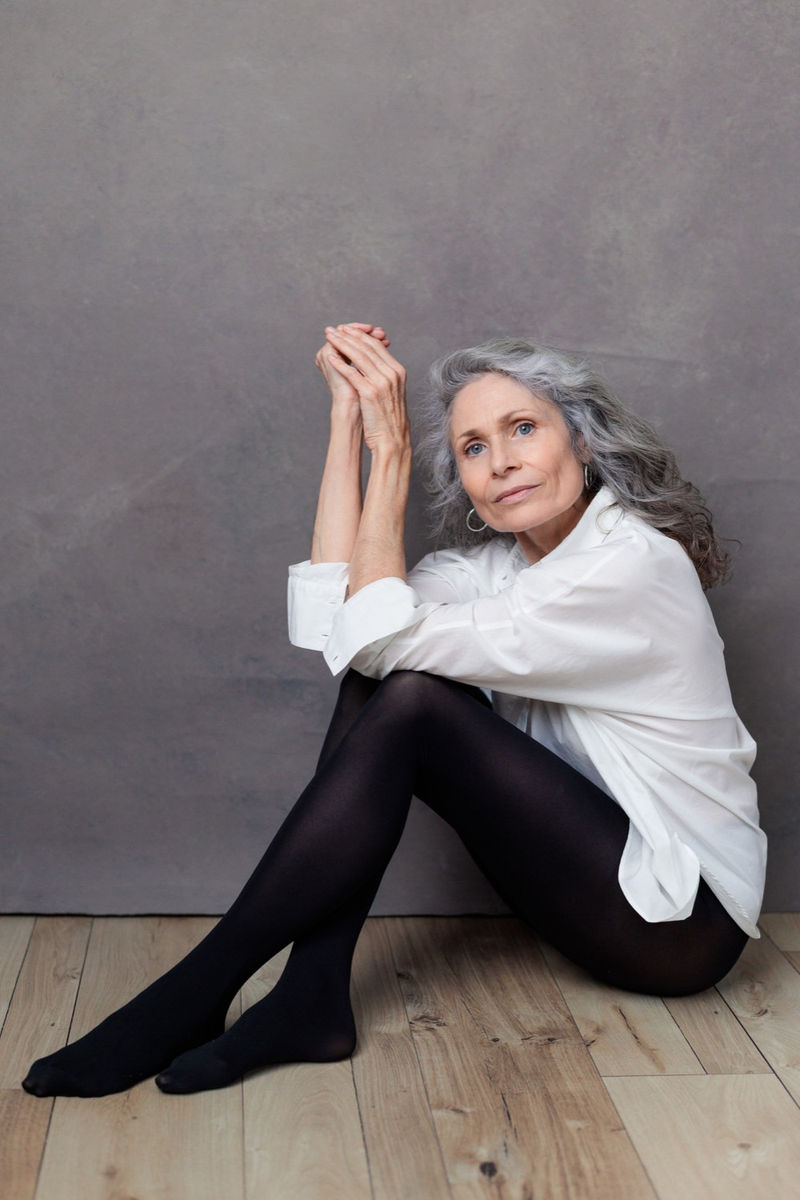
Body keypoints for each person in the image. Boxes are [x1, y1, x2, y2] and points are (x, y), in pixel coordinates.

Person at [22, 323, 766, 1099]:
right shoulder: (493, 570)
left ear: (582, 443)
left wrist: (395, 451)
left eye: (522, 429)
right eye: (473, 447)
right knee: (384, 679)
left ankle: (193, 993)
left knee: (411, 694)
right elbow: (337, 630)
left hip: (681, 925)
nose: (501, 461)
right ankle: (310, 991)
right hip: (589, 895)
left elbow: (378, 637)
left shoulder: (633, 566)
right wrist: (348, 424)